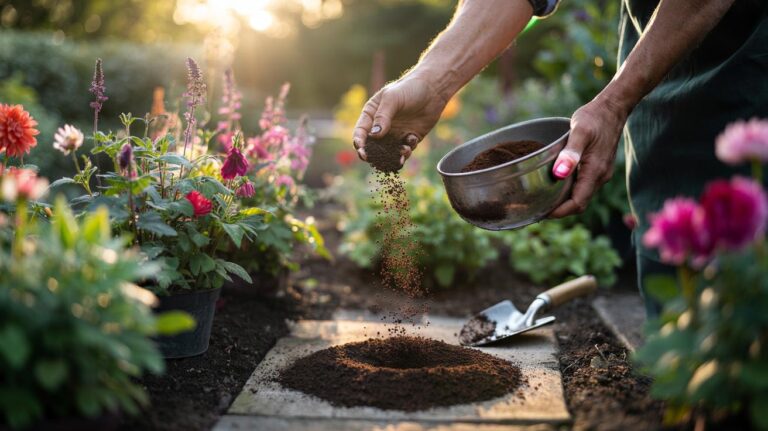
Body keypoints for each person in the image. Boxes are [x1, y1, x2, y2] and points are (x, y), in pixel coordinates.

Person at [352, 0, 768, 316]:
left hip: (749, 63)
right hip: (659, 69)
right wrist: (432, 82)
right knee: (677, 291)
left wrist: (613, 104)